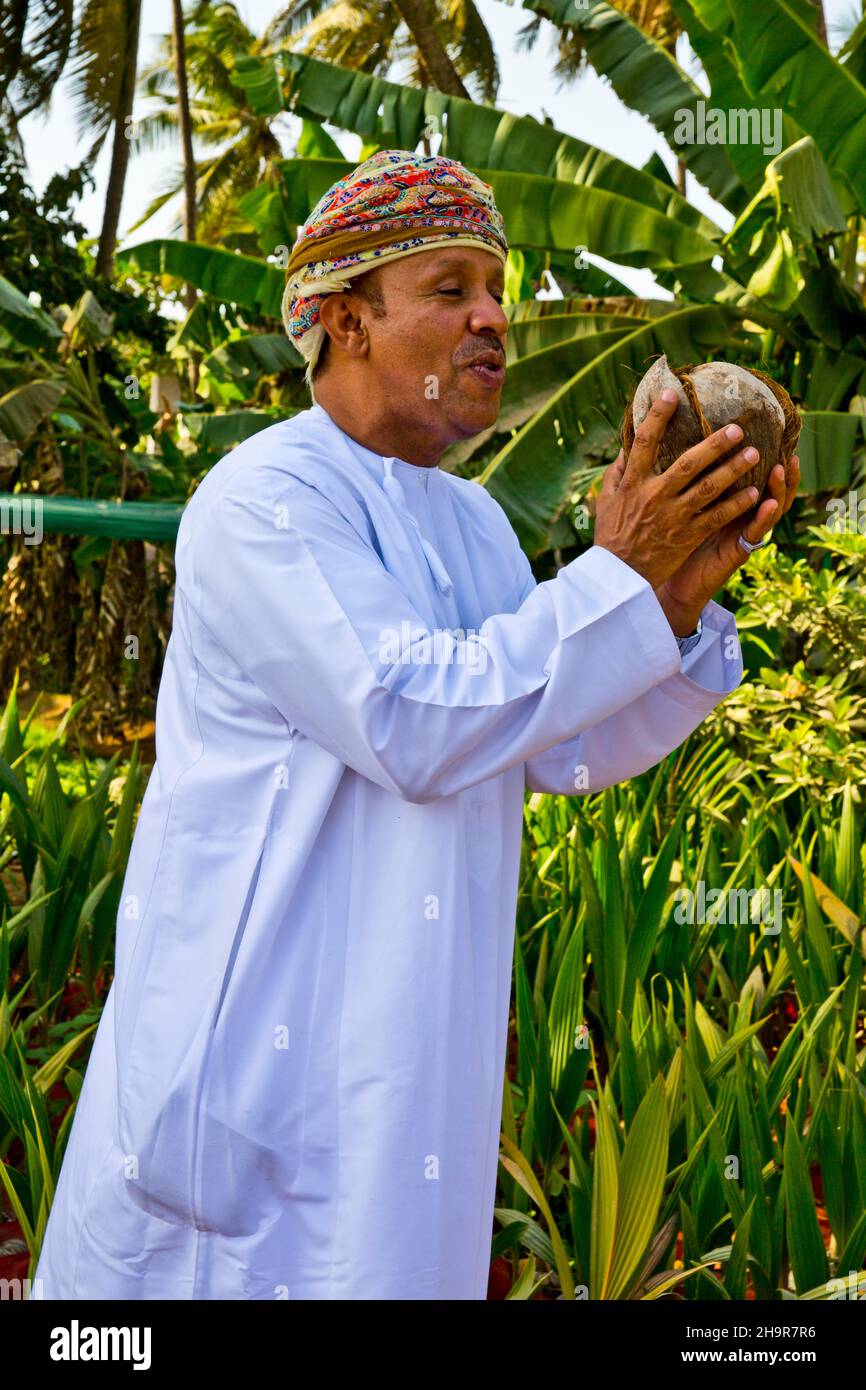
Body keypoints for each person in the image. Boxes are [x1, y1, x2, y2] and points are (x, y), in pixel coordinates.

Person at [34, 150, 799, 1301]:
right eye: (450, 290)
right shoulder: (263, 498)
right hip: (247, 1078)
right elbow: (410, 718)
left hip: (404, 1082)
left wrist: (669, 601)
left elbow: (549, 742)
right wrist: (614, 579)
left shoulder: (475, 524)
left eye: (497, 289)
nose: (493, 321)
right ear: (343, 317)